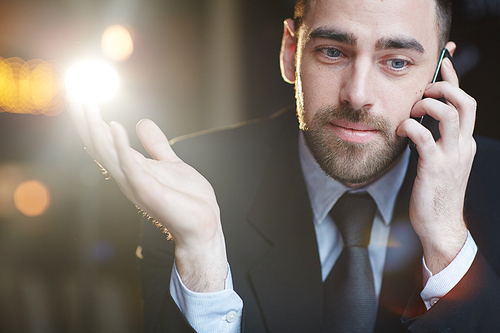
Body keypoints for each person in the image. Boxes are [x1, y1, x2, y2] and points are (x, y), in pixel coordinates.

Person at [65, 0, 500, 332]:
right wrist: (201, 254)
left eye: (397, 62)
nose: (357, 94)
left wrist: (447, 244)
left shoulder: (494, 186)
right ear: (291, 50)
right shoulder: (192, 177)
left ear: (443, 71)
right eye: (332, 52)